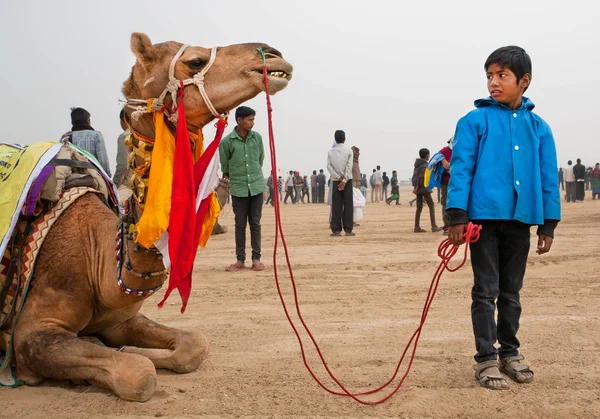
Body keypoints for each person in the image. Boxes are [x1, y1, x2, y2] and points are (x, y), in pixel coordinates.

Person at [447, 46, 560, 390]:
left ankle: (510, 353)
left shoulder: (539, 128)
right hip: (482, 220)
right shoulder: (473, 121)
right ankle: (485, 359)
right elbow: (461, 168)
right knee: (486, 291)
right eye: (489, 76)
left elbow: (546, 176)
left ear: (523, 81)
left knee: (511, 291)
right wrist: (456, 215)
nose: (493, 83)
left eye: (502, 76)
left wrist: (549, 222)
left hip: (520, 220)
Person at [219, 106, 266, 272]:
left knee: (255, 223)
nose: (253, 123)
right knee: (240, 224)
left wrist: (252, 175)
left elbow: (260, 159)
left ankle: (256, 258)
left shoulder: (257, 138)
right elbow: (225, 166)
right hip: (238, 188)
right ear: (240, 120)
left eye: (253, 119)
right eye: (250, 120)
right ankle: (240, 260)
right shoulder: (227, 142)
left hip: (256, 186)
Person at [67, 107, 111, 176]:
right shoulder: (96, 135)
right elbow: (103, 161)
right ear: (88, 121)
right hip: (93, 177)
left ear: (72, 122)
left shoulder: (66, 138)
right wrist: (107, 176)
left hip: (72, 178)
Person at [327, 130, 354, 236]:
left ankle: (336, 230)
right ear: (344, 138)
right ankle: (348, 230)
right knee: (348, 205)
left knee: (336, 206)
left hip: (335, 181)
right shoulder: (349, 151)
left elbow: (329, 166)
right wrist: (344, 180)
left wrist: (338, 177)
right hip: (347, 181)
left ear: (335, 138)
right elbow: (349, 166)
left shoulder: (330, 152)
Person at [412, 148, 441, 233]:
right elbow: (421, 177)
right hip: (423, 188)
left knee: (419, 208)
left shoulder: (417, 165)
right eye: (429, 154)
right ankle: (434, 226)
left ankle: (416, 227)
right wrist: (417, 187)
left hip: (419, 189)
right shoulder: (425, 166)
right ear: (426, 155)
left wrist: (415, 187)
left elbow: (415, 177)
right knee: (431, 205)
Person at [113, 108, 132, 203]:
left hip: (130, 185)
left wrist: (114, 185)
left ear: (123, 120)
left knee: (114, 206)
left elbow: (123, 166)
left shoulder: (124, 137)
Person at [439, 137, 453, 234]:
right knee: (445, 203)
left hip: (460, 181)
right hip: (446, 182)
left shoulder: (464, 149)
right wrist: (443, 160)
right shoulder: (445, 150)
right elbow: (436, 156)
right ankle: (447, 226)